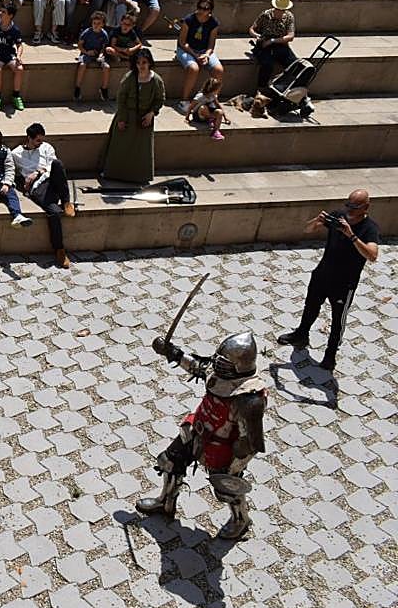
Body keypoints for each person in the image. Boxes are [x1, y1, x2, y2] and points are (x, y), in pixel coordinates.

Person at [137, 329, 267, 540]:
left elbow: (250, 443)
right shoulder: (220, 374)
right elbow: (198, 367)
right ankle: (165, 503)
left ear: (237, 367)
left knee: (227, 489)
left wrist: (233, 470)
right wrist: (172, 352)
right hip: (197, 430)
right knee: (170, 462)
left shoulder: (249, 399)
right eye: (218, 361)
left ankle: (241, 520)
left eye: (223, 363)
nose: (216, 366)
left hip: (222, 445)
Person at [277, 189, 380, 372]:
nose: (349, 209)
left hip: (344, 283)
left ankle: (331, 355)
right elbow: (306, 230)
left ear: (366, 207)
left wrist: (352, 236)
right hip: (322, 274)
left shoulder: (369, 228)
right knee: (310, 306)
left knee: (337, 320)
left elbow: (372, 255)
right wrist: (317, 222)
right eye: (347, 204)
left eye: (354, 207)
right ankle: (301, 334)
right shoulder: (338, 216)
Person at [12, 122, 75, 268]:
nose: (41, 143)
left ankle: (66, 202)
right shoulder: (16, 154)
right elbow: (11, 171)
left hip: (51, 179)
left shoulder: (46, 147)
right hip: (38, 188)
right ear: (29, 138)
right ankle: (59, 250)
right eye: (37, 140)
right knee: (53, 212)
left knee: (58, 164)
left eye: (42, 139)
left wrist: (37, 172)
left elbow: (52, 165)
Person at [100, 48, 164, 184]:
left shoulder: (156, 80)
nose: (141, 65)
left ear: (150, 63)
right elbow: (121, 98)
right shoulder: (130, 78)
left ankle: (138, 177)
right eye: (139, 62)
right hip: (127, 116)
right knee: (120, 146)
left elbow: (159, 99)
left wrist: (151, 114)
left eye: (144, 62)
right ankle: (113, 173)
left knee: (140, 150)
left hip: (144, 119)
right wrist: (122, 118)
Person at [176, 0, 222, 103]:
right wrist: (195, 55)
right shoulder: (189, 20)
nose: (202, 11)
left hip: (203, 51)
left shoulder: (214, 23)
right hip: (186, 49)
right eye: (200, 7)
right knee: (193, 69)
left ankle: (213, 99)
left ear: (210, 10)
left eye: (205, 9)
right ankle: (184, 100)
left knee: (219, 70)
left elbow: (211, 45)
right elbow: (182, 42)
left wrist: (206, 55)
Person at [248, 0, 296, 90]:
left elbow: (290, 36)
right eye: (278, 9)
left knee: (294, 65)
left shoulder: (289, 16)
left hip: (280, 44)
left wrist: (273, 41)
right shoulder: (266, 15)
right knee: (267, 64)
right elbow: (252, 29)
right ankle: (261, 89)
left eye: (282, 9)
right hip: (264, 44)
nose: (280, 11)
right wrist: (257, 36)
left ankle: (287, 89)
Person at [0, 4, 26, 112]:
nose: (0, 13)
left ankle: (16, 96)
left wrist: (18, 56)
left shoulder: (15, 30)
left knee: (19, 69)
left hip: (8, 53)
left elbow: (19, 45)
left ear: (10, 16)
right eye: (0, 11)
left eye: (3, 12)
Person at [75, 10, 111, 100]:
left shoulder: (104, 34)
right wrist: (86, 52)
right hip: (86, 53)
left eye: (99, 23)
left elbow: (103, 47)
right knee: (82, 65)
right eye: (94, 23)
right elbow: (79, 45)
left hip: (98, 54)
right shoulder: (87, 32)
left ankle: (104, 88)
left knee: (106, 67)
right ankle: (77, 87)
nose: (96, 25)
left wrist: (101, 55)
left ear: (103, 24)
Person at [184, 76, 226, 141]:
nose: (219, 90)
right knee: (203, 107)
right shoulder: (200, 96)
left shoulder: (213, 96)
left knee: (219, 111)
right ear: (213, 90)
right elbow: (190, 107)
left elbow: (218, 106)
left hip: (208, 115)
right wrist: (187, 118)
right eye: (218, 89)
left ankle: (216, 131)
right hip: (198, 116)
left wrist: (225, 117)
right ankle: (211, 119)